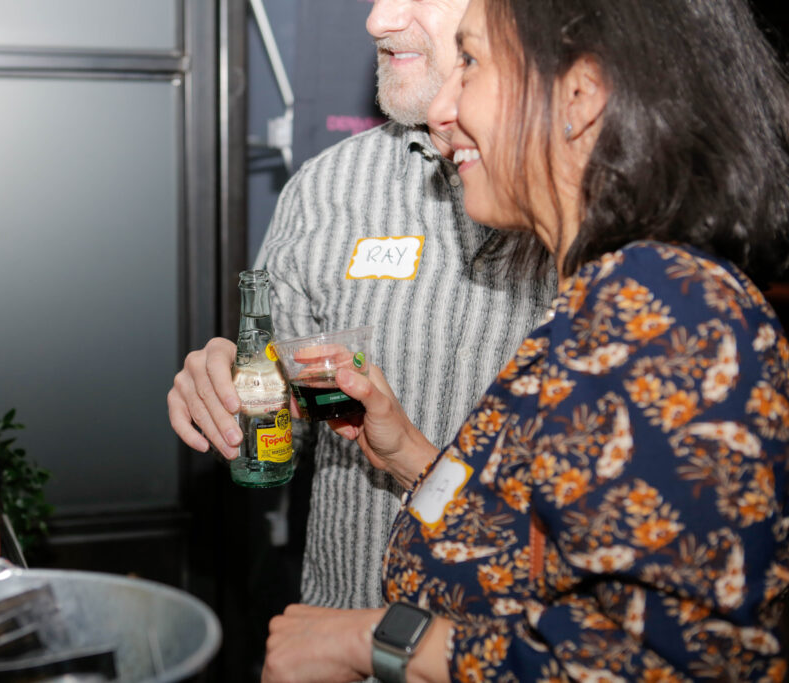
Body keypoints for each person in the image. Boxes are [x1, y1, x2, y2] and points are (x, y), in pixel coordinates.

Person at [262, 0, 789, 679]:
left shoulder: (664, 304)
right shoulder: (612, 294)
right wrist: (408, 456)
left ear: (582, 96)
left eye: (472, 63)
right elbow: (540, 549)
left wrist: (378, 640)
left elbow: (676, 665)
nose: (444, 108)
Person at [168, 0, 555, 611]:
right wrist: (233, 392)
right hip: (336, 635)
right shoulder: (325, 186)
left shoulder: (609, 218)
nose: (376, 22)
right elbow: (285, 418)